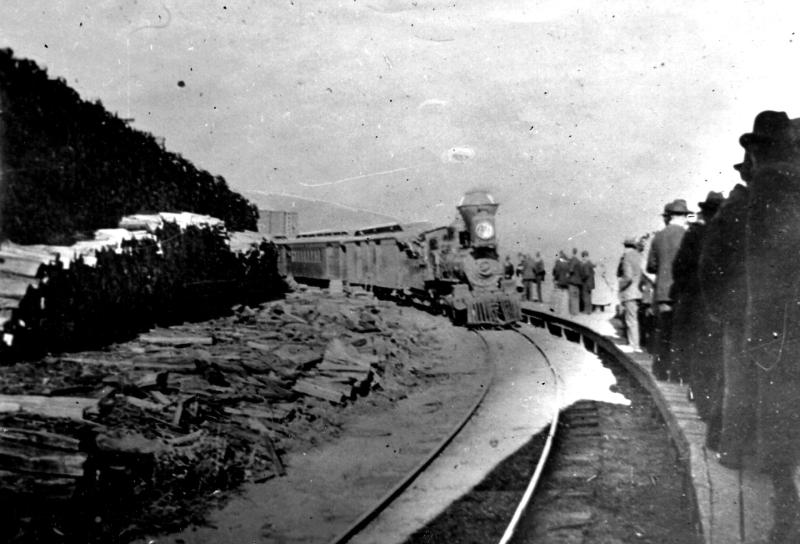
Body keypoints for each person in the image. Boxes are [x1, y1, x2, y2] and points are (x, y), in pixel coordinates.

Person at [722, 110, 800, 542]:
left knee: (783, 431)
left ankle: (786, 526)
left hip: (783, 332)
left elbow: (765, 270)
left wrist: (758, 334)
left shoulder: (770, 187)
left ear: (760, 150)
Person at [670, 191, 724, 429]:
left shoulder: (696, 234)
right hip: (720, 304)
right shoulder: (728, 232)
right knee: (716, 357)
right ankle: (712, 407)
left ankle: (701, 401)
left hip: (696, 303)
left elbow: (678, 268)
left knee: (699, 352)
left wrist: (687, 292)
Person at [646, 199, 691, 380]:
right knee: (681, 332)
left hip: (663, 292)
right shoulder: (689, 236)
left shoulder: (658, 236)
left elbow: (650, 266)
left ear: (669, 216)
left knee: (663, 331)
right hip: (682, 291)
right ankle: (678, 373)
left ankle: (661, 371)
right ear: (684, 216)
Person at [617, 236, 643, 351]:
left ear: (625, 246)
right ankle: (635, 344)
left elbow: (627, 277)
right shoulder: (639, 256)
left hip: (630, 292)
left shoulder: (627, 257)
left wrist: (620, 288)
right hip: (640, 292)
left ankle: (633, 345)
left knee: (630, 320)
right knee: (636, 319)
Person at [566, 248, 582, 315]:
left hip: (572, 282)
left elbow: (571, 270)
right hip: (578, 282)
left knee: (572, 297)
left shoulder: (573, 260)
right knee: (576, 297)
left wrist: (567, 275)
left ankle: (572, 312)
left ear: (572, 252)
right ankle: (576, 311)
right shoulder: (579, 261)